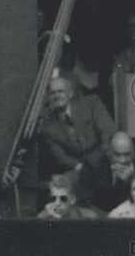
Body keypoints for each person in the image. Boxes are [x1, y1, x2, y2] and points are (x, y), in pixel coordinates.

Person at [38, 75, 115, 203]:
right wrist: (79, 166)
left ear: (70, 93)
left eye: (60, 91)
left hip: (103, 159)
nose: (57, 96)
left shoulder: (92, 104)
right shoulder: (48, 127)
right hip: (78, 168)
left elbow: (107, 132)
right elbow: (60, 156)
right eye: (53, 93)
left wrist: (104, 159)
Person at [92, 131, 135, 213]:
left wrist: (129, 182)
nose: (122, 160)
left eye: (127, 154)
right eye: (117, 155)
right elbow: (101, 205)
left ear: (133, 153)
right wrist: (118, 183)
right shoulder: (95, 168)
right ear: (109, 153)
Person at [36, 174, 103, 220]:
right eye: (53, 199)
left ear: (73, 199)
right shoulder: (43, 218)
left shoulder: (89, 217)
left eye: (63, 199)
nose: (57, 203)